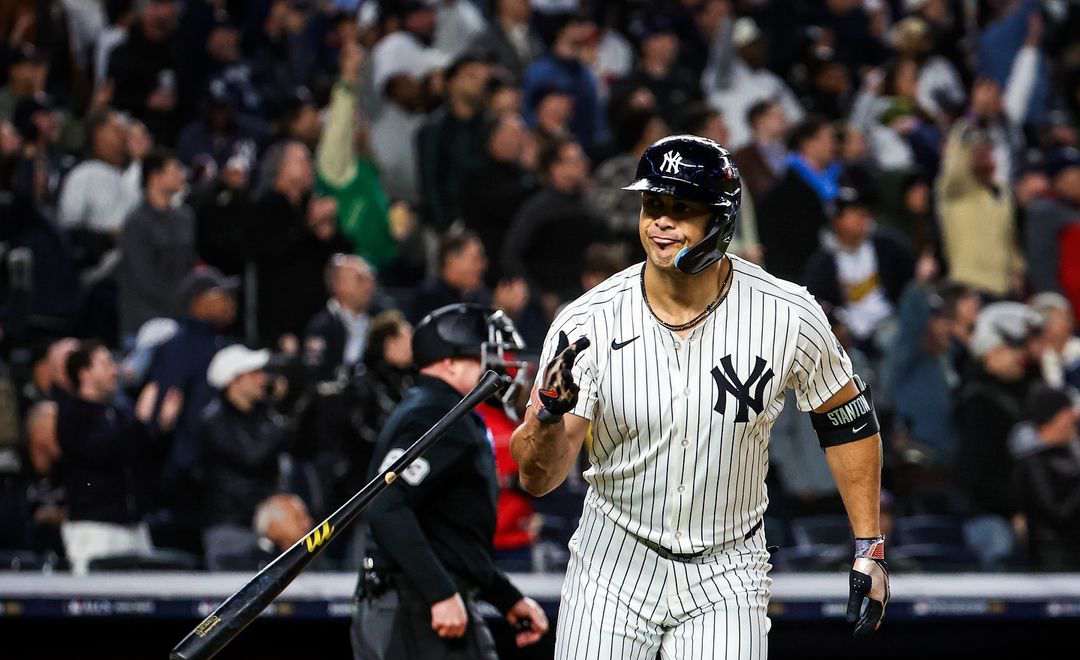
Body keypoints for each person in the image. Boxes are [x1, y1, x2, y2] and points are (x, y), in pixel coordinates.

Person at [510, 135, 890, 658]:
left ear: (721, 221)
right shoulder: (586, 323)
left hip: (728, 567)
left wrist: (869, 547)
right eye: (653, 205)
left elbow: (847, 421)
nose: (661, 222)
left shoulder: (787, 313)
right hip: (613, 562)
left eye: (682, 208)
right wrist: (548, 418)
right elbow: (538, 478)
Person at [355, 303, 549, 659]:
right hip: (414, 608)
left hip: (420, 601)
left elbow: (450, 535)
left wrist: (504, 597)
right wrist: (440, 593)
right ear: (449, 362)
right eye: (483, 357)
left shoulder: (441, 409)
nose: (499, 366)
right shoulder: (433, 413)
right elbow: (385, 505)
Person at [57, 340, 181, 573]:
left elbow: (144, 461)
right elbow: (101, 452)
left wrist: (161, 429)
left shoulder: (119, 413)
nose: (115, 370)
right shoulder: (71, 414)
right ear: (84, 373)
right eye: (105, 364)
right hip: (94, 529)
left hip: (134, 526)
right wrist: (140, 423)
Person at [199, 344, 294, 570]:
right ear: (234, 380)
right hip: (230, 529)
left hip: (261, 526)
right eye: (254, 374)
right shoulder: (214, 421)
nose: (262, 379)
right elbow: (252, 457)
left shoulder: (260, 417)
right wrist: (279, 410)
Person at [955, 302, 1043, 518]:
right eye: (1011, 348)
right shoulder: (978, 401)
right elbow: (978, 476)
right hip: (993, 515)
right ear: (990, 351)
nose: (1021, 356)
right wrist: (1015, 511)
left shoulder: (1021, 388)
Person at [803, 186, 914, 349]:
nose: (862, 217)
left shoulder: (887, 245)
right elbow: (815, 300)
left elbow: (908, 282)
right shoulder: (823, 262)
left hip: (889, 321)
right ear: (837, 221)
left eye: (863, 211)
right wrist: (834, 324)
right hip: (850, 335)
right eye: (854, 212)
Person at [117, 147, 196, 339]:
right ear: (155, 176)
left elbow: (189, 265)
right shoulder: (136, 222)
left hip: (181, 320)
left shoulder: (185, 217)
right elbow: (143, 276)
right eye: (175, 170)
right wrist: (182, 301)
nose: (181, 175)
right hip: (144, 323)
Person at [758, 115, 840, 282]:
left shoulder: (836, 179)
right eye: (828, 139)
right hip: (799, 276)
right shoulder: (785, 191)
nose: (834, 145)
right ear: (808, 143)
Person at [1011, 386, 1080, 571]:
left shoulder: (1071, 454)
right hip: (1054, 556)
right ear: (1054, 418)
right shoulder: (1033, 463)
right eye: (1067, 412)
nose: (1074, 417)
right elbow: (1056, 513)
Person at [410, 229, 490, 324]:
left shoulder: (479, 297)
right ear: (451, 260)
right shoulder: (429, 297)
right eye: (475, 259)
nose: (483, 265)